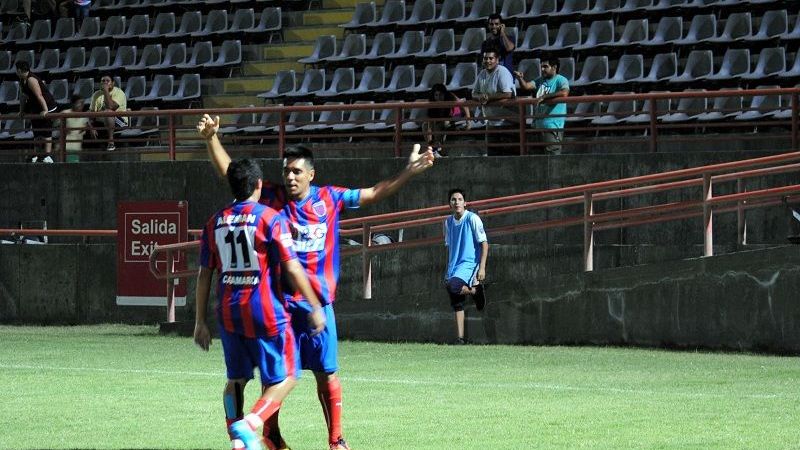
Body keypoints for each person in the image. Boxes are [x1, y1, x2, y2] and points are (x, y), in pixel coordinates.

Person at [198, 114, 435, 450]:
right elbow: (232, 175)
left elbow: (373, 194)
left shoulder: (330, 199)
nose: (290, 177)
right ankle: (270, 435)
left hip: (318, 306)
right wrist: (212, 139)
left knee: (327, 373)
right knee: (274, 378)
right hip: (280, 306)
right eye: (286, 171)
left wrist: (408, 173)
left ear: (311, 174)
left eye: (296, 171)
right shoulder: (272, 199)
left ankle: (335, 439)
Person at [194, 157, 327, 450]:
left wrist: (199, 321)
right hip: (263, 310)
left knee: (236, 379)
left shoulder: (214, 221)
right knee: (290, 374)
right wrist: (315, 304)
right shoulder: (270, 218)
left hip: (228, 311)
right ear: (258, 185)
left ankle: (237, 441)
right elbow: (293, 268)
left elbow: (204, 275)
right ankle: (250, 424)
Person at [443, 188, 488, 345]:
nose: (457, 202)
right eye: (453, 200)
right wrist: (448, 267)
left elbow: (484, 244)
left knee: (453, 286)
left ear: (465, 202)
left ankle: (476, 290)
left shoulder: (472, 219)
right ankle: (460, 339)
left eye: (460, 199)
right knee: (456, 302)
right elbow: (449, 246)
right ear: (449, 203)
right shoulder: (448, 222)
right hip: (454, 266)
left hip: (469, 265)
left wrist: (482, 268)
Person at [514, 58, 570, 155]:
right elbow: (526, 86)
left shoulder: (561, 79)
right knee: (536, 161)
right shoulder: (540, 80)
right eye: (541, 67)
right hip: (537, 127)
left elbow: (565, 92)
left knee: (552, 161)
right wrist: (520, 78)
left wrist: (545, 96)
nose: (542, 69)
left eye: (545, 67)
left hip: (552, 127)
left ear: (554, 67)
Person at [16, 60, 57, 162]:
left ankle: (48, 156)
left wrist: (45, 111)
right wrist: (21, 111)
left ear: (20, 70)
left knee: (46, 132)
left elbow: (39, 96)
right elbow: (23, 97)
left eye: (16, 70)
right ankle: (37, 154)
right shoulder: (22, 80)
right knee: (37, 133)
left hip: (47, 106)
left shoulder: (31, 80)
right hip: (35, 108)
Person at [423, 83, 471, 158]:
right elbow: (429, 125)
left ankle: (440, 150)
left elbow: (465, 106)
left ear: (445, 94)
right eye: (436, 95)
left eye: (441, 95)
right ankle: (433, 150)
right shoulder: (432, 104)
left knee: (439, 125)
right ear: (433, 96)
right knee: (425, 125)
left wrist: (468, 123)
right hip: (441, 121)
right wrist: (430, 143)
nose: (438, 98)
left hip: (456, 119)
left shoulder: (451, 96)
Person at [89, 74, 128, 151]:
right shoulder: (96, 94)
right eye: (103, 81)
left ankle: (111, 142)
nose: (105, 83)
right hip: (102, 118)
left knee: (108, 112)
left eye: (107, 81)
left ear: (113, 83)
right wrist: (91, 127)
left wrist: (106, 91)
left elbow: (111, 107)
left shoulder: (119, 92)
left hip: (120, 121)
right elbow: (91, 113)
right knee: (84, 119)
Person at [57, 94, 95, 163]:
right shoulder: (65, 113)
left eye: (82, 103)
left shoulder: (83, 117)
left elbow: (87, 125)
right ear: (73, 104)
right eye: (79, 103)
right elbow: (55, 124)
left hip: (75, 149)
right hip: (64, 148)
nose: (81, 105)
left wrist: (91, 129)